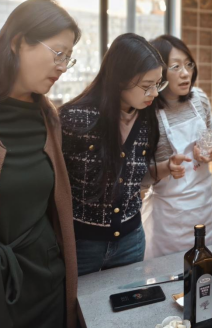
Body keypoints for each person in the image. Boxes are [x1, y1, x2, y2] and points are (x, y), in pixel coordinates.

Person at [0, 0, 80, 328]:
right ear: (18, 42)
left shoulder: (48, 116)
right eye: (58, 53)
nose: (63, 66)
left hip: (46, 280)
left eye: (68, 58)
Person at [60, 33, 167, 276]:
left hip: (131, 240)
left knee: (128, 298)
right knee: (80, 300)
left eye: (158, 84)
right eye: (146, 86)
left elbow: (135, 179)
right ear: (120, 80)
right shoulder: (75, 119)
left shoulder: (147, 120)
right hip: (82, 243)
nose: (154, 93)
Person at [141, 35, 212, 258]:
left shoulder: (199, 99)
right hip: (170, 217)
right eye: (175, 66)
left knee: (205, 264)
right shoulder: (148, 112)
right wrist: (167, 167)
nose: (185, 73)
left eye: (188, 64)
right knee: (169, 272)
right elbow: (139, 175)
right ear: (159, 72)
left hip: (204, 206)